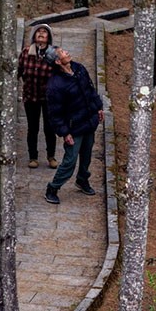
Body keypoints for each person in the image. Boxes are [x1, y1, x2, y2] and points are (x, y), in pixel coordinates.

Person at [43, 46, 104, 205]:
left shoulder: (79, 69)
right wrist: (65, 132)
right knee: (70, 160)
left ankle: (83, 180)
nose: (67, 52)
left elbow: (91, 91)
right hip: (73, 127)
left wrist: (98, 107)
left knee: (87, 155)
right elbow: (54, 114)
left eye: (64, 50)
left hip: (89, 121)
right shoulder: (55, 85)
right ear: (57, 61)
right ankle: (53, 188)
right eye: (62, 52)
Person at [17, 23, 58, 169]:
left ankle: (51, 156)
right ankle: (33, 157)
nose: (41, 34)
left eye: (44, 32)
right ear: (34, 36)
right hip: (31, 96)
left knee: (49, 128)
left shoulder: (54, 54)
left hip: (49, 98)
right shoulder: (26, 52)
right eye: (38, 32)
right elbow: (19, 71)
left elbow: (61, 74)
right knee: (32, 128)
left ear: (49, 37)